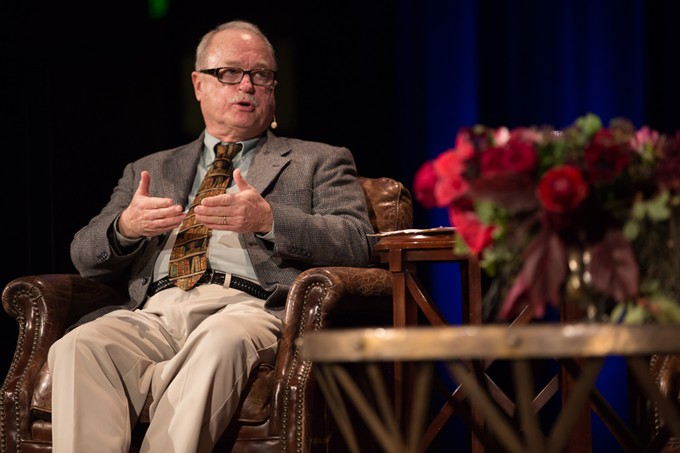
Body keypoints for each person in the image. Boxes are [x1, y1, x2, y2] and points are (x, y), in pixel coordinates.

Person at [47, 20, 375, 452]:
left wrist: (268, 219)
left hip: (248, 307)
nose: (247, 85)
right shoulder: (151, 168)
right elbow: (84, 256)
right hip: (156, 311)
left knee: (221, 339)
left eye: (261, 75)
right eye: (230, 73)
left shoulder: (319, 160)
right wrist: (126, 228)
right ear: (198, 84)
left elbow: (359, 243)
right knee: (81, 346)